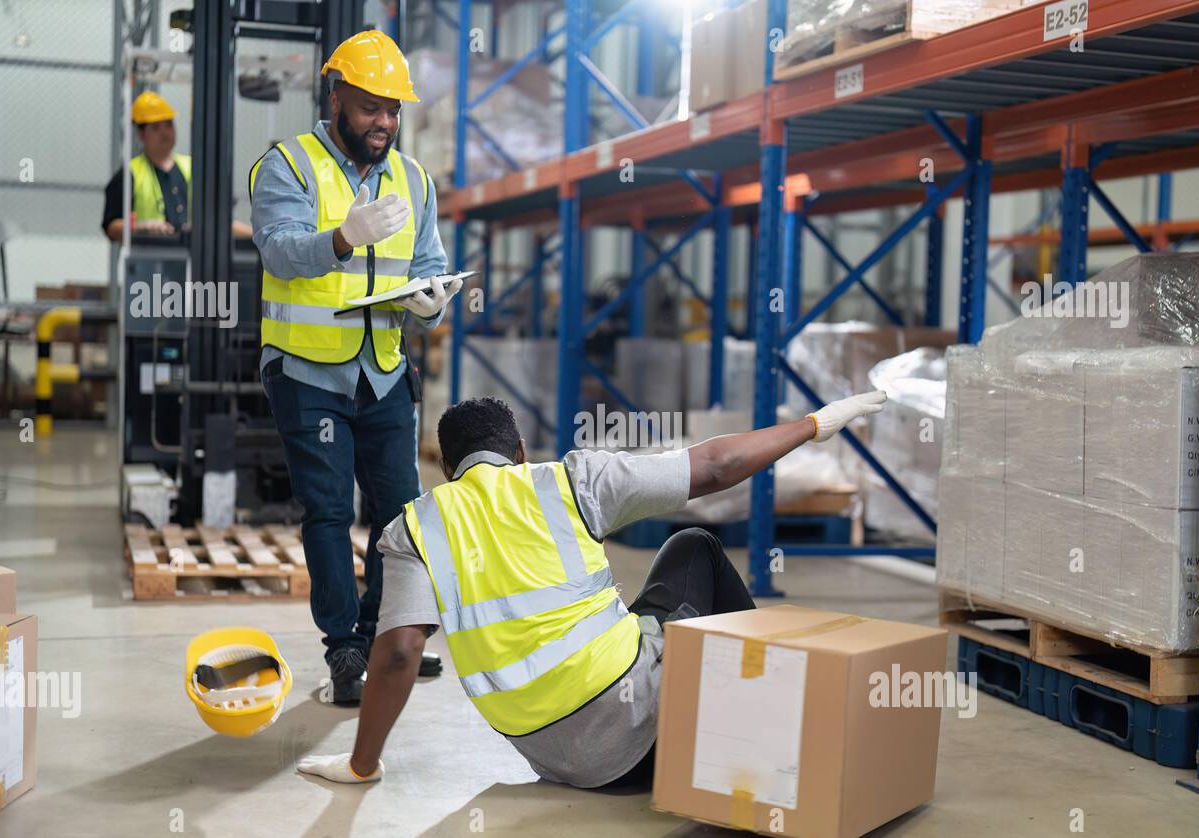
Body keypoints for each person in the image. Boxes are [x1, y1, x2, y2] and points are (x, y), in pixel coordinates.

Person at [297, 389, 887, 786]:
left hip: (558, 763)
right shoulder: (570, 481)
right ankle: (777, 730)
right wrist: (814, 425)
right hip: (648, 740)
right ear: (521, 453)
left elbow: (399, 651)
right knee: (694, 550)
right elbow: (713, 467)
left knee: (627, 619)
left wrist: (361, 764)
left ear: (448, 470)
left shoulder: (416, 527)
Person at [250, 30, 462, 704]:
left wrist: (431, 301)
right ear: (336, 96)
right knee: (329, 512)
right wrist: (344, 238)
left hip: (385, 368)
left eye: (394, 110)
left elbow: (426, 264)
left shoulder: (413, 178)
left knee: (401, 513)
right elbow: (281, 253)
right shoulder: (288, 165)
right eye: (372, 107)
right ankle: (343, 650)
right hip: (308, 371)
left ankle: (382, 638)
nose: (385, 123)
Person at [102, 91, 252, 241]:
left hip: (194, 257)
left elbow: (221, 222)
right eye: (156, 127)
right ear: (141, 134)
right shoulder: (130, 174)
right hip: (150, 258)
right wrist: (144, 227)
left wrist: (259, 237)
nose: (165, 132)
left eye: (168, 124)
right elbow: (111, 227)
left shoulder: (195, 168)